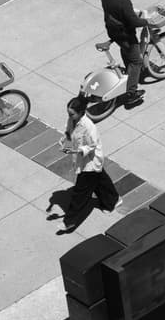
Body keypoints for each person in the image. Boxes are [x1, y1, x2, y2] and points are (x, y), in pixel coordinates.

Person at [50, 94, 119, 233]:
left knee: (80, 193)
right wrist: (64, 139)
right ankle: (112, 201)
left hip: (90, 161)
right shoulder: (72, 119)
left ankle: (69, 221)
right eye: (68, 113)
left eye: (72, 114)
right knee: (100, 181)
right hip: (83, 160)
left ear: (81, 112)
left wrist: (75, 150)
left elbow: (92, 145)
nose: (69, 116)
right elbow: (69, 131)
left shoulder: (89, 126)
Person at [101, 0, 147, 108]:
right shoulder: (123, 1)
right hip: (125, 34)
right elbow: (133, 21)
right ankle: (131, 95)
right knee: (137, 61)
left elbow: (119, 12)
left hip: (113, 31)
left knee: (126, 52)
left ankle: (129, 71)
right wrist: (146, 22)